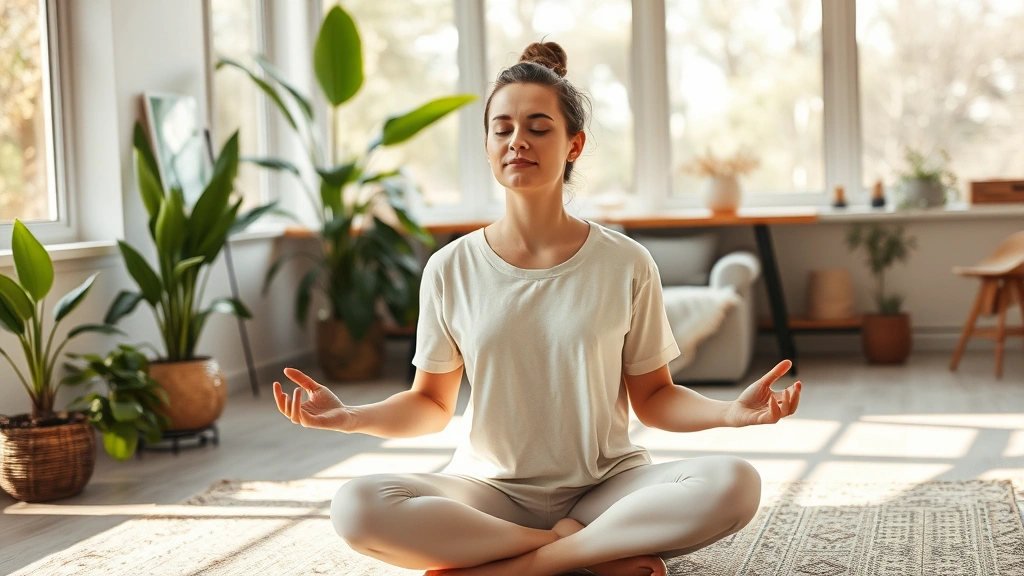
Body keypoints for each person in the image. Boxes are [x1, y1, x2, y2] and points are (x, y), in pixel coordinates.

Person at [272, 41, 803, 576]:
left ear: (574, 145)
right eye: (501, 128)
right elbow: (431, 405)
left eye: (538, 128)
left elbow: (656, 397)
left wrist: (728, 414)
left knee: (735, 483)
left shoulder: (626, 262)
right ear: (486, 145)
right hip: (488, 491)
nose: (517, 141)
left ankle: (519, 565)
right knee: (357, 506)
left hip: (607, 486)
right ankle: (583, 550)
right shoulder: (449, 267)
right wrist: (352, 419)